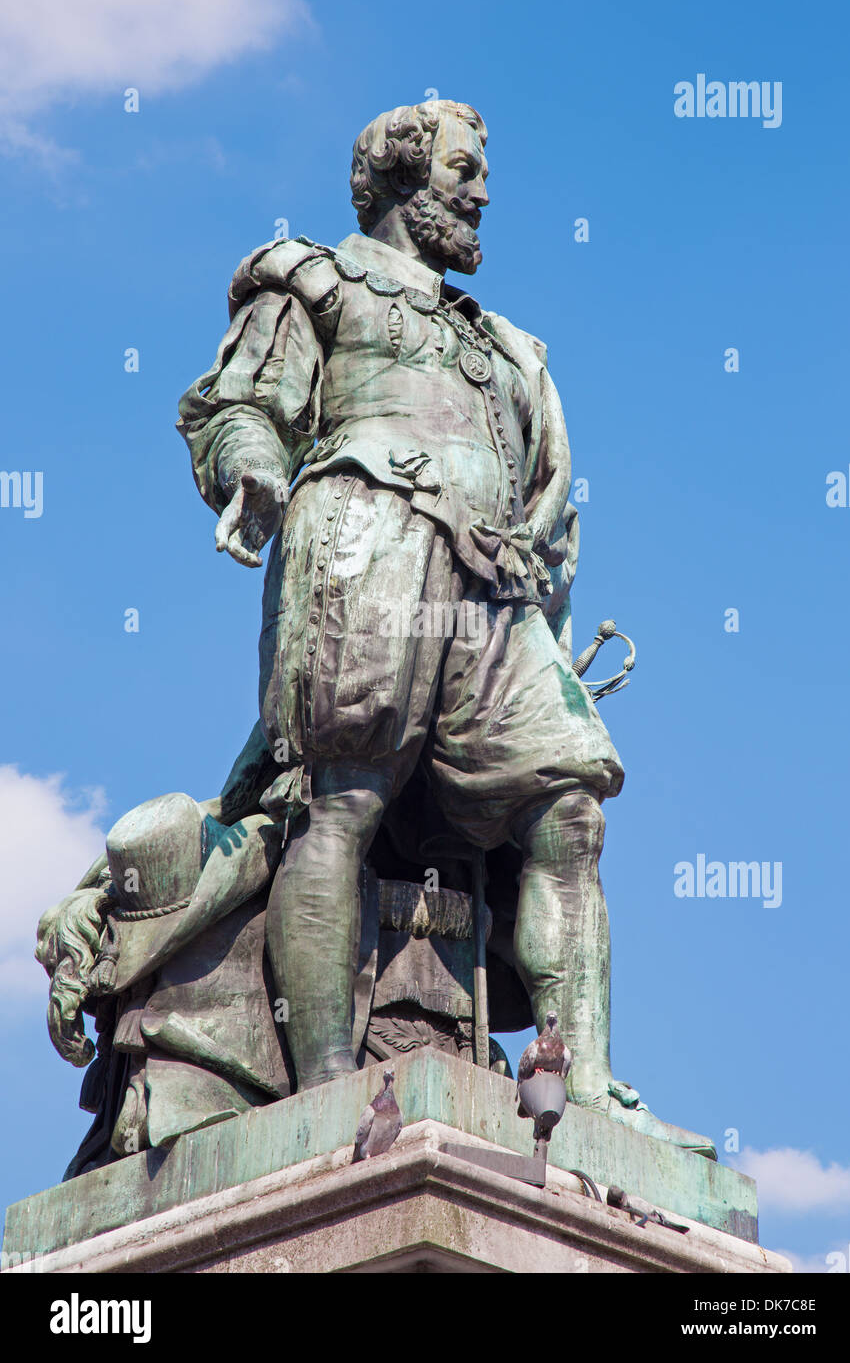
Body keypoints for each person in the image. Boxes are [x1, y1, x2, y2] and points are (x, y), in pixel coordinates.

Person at [178, 100, 714, 1154]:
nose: (481, 192)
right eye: (463, 170)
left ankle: (581, 1082)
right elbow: (239, 403)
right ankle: (327, 1080)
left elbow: (547, 491)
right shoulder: (310, 280)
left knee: (569, 808)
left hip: (495, 587)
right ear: (397, 178)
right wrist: (247, 467)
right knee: (345, 799)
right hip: (366, 540)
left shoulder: (503, 344)